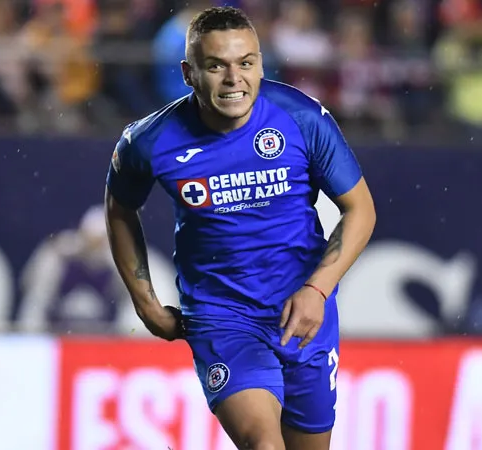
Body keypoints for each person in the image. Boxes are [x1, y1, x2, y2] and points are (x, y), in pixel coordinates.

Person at [104, 6, 376, 450]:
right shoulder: (149, 141)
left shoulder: (301, 117)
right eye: (216, 66)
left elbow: (360, 209)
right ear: (189, 73)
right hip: (221, 317)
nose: (234, 79)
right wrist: (146, 303)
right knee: (263, 444)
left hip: (303, 314)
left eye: (245, 63)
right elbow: (119, 208)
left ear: (261, 64)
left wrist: (317, 290)